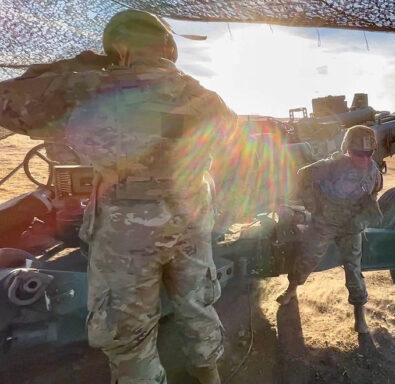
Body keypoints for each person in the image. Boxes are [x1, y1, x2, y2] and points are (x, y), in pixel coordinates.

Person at [0, 10, 237, 384]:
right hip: (190, 221)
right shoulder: (206, 98)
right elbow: (224, 142)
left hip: (126, 232)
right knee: (197, 307)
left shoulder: (87, 88)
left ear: (117, 48)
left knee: (127, 332)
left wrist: (74, 65)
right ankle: (208, 375)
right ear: (167, 46)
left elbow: (7, 102)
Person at [277, 125, 383, 334]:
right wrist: (314, 207)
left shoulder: (373, 172)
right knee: (308, 257)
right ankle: (291, 290)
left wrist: (363, 216)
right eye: (359, 154)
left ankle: (359, 317)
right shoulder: (331, 166)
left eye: (369, 154)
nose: (365, 159)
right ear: (348, 149)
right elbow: (303, 176)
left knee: (353, 269)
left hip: (351, 226)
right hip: (326, 222)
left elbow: (375, 192)